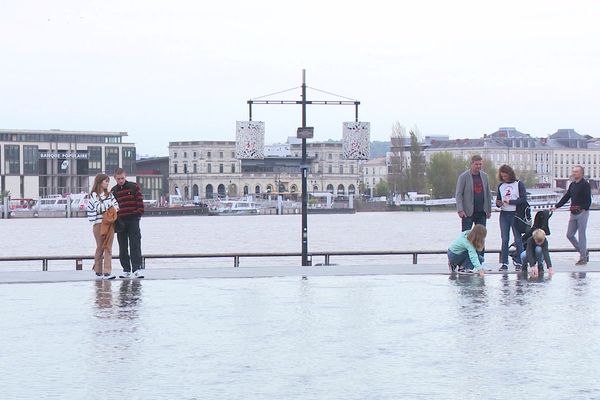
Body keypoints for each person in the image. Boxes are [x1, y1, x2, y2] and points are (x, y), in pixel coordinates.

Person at [551, 165, 591, 265]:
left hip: (582, 213)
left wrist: (582, 208)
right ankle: (584, 252)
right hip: (573, 213)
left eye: (576, 172)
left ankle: (583, 257)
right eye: (573, 171)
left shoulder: (585, 184)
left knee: (581, 235)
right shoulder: (572, 184)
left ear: (581, 173)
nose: (574, 173)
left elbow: (588, 200)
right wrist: (556, 206)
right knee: (569, 235)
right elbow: (567, 196)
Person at [111, 168, 145, 278]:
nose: (121, 180)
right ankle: (126, 269)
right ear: (115, 178)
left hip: (133, 219)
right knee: (122, 246)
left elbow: (139, 201)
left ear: (125, 176)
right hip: (120, 221)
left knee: (135, 244)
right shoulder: (113, 191)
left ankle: (136, 269)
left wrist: (138, 214)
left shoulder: (134, 186)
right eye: (118, 179)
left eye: (122, 178)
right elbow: (112, 207)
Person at [87, 173, 119, 280]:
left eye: (108, 181)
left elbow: (117, 206)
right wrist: (110, 205)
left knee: (108, 248)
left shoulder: (109, 194)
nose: (107, 184)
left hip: (109, 223)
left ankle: (107, 272)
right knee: (100, 246)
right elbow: (99, 208)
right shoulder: (93, 195)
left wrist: (110, 206)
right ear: (100, 182)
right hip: (98, 224)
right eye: (106, 181)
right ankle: (98, 271)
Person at [496, 164, 526, 272]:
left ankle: (520, 261)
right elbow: (498, 200)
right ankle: (504, 263)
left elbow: (523, 199)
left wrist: (511, 201)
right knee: (504, 239)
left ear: (510, 174)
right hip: (504, 214)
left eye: (506, 176)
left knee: (518, 239)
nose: (504, 178)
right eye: (502, 176)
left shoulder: (518, 184)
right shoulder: (500, 186)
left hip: (515, 214)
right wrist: (498, 203)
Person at [455, 155, 492, 232]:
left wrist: (489, 210)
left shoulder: (485, 176)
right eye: (476, 164)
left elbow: (488, 194)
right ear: (471, 164)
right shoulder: (463, 177)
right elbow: (458, 194)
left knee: (481, 237)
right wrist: (460, 210)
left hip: (482, 212)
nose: (478, 166)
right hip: (467, 213)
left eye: (480, 164)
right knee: (465, 236)